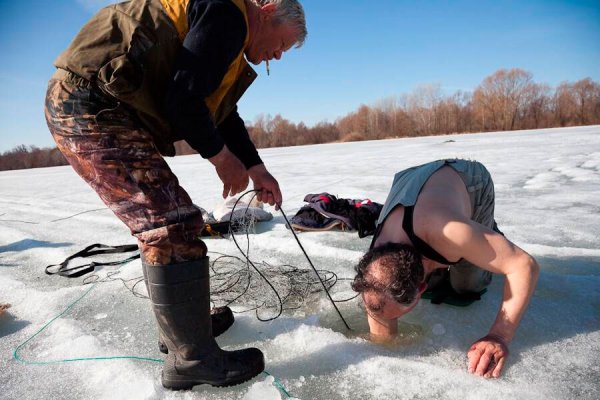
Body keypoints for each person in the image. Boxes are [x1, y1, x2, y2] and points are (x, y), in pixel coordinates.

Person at [44, 0, 306, 390]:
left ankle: (185, 331)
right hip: (88, 104)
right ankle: (193, 359)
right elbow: (183, 98)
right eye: (282, 44)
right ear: (266, 10)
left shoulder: (229, 35)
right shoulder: (227, 14)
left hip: (101, 104)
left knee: (170, 223)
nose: (279, 56)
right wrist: (221, 157)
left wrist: (255, 167)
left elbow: (221, 112)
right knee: (172, 225)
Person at [351, 159, 539, 378]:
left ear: (421, 289)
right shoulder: (376, 268)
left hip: (466, 181)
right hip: (410, 182)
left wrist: (499, 336)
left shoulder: (451, 233)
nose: (387, 318)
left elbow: (524, 266)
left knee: (467, 286)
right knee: (420, 286)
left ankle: (489, 235)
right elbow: (380, 311)